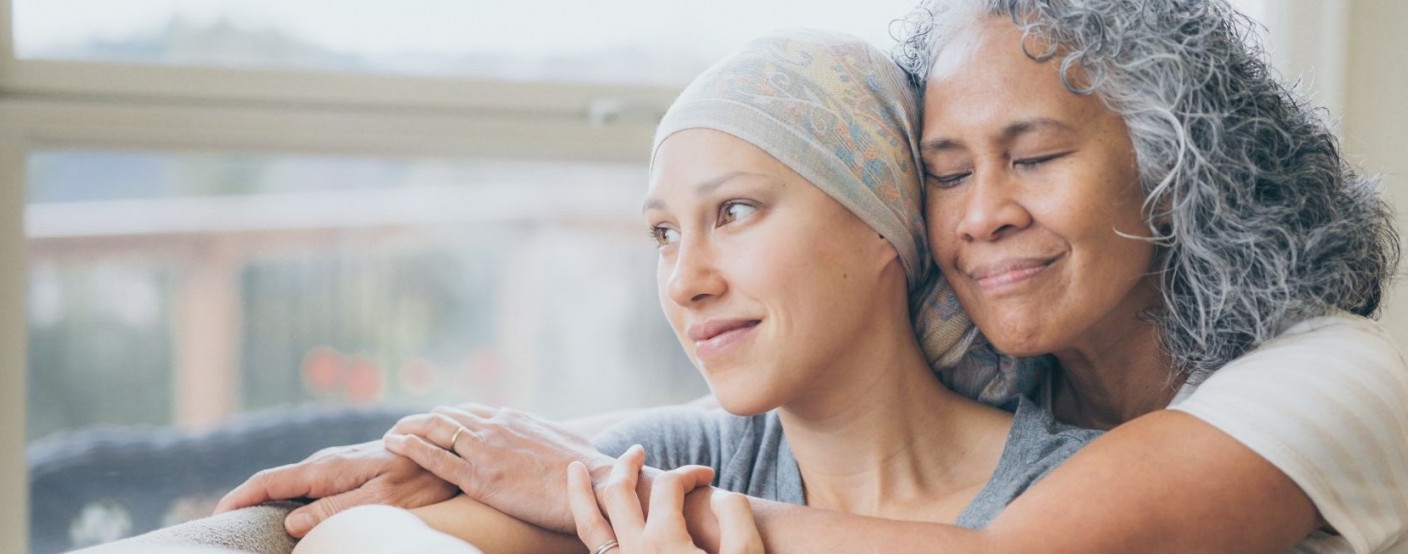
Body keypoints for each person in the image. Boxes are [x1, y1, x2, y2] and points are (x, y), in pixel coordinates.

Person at [226, 0, 1408, 552]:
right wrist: (456, 448)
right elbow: (729, 415)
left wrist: (596, 484)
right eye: (945, 171)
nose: (983, 212)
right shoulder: (1005, 359)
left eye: (1034, 156)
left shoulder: (1332, 376)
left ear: (1171, 168)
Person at [270, 27, 1099, 553]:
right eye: (663, 234)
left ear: (883, 222)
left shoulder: (1077, 499)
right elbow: (359, 543)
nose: (686, 282)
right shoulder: (672, 466)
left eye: (733, 212)